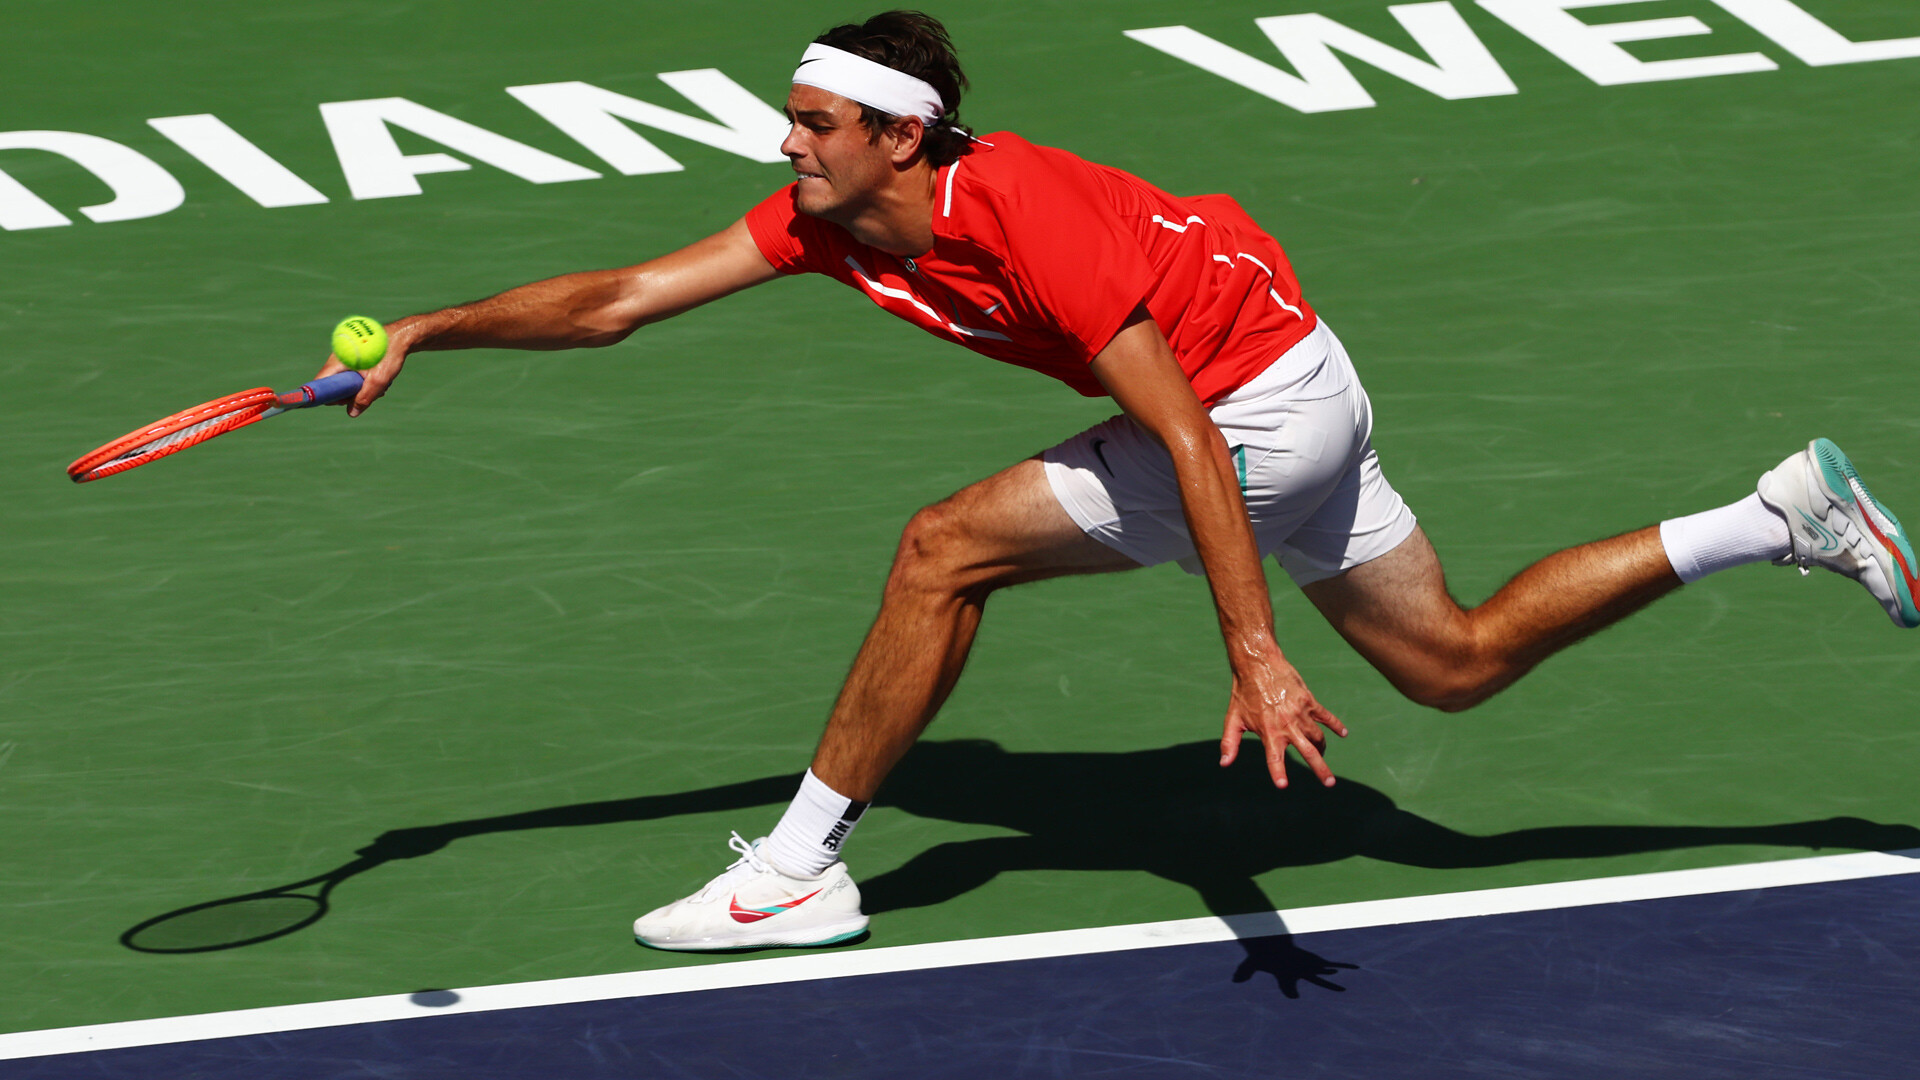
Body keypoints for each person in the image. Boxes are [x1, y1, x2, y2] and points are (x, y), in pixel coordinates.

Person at [318, 11, 1917, 951]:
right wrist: (428, 332)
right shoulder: (824, 216)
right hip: (1301, 375)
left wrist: (1252, 643)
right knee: (1454, 662)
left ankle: (797, 872)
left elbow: (1191, 437)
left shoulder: (1034, 222)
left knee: (943, 549)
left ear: (901, 136)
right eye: (790, 121)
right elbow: (615, 303)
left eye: (812, 125)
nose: (784, 143)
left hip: (1255, 407)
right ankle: (1777, 513)